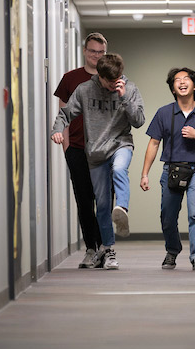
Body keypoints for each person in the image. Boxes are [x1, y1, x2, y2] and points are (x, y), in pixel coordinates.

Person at [51, 53, 144, 270]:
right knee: (102, 206)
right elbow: (65, 113)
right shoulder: (85, 90)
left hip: (121, 144)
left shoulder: (129, 89)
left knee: (120, 169)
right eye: (109, 82)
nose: (114, 84)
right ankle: (109, 250)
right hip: (95, 153)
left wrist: (123, 97)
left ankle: (122, 208)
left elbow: (139, 121)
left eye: (117, 79)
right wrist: (57, 131)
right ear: (99, 77)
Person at [139, 67, 195, 270]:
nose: (182, 82)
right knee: (167, 216)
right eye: (177, 80)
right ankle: (172, 250)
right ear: (173, 88)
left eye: (187, 79)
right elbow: (154, 143)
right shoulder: (164, 113)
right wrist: (144, 174)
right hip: (171, 169)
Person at [53, 32, 107, 268]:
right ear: (85, 51)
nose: (96, 56)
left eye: (101, 52)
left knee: (104, 201)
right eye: (93, 51)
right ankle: (91, 248)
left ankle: (106, 247)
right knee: (84, 201)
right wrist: (66, 146)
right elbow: (62, 112)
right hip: (76, 148)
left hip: (104, 150)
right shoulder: (70, 78)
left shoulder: (111, 78)